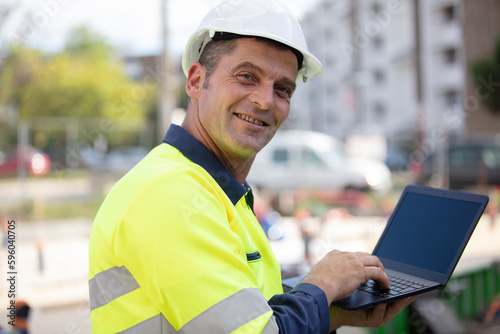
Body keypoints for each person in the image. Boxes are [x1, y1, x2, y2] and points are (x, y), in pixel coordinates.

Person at [88, 0, 415, 333]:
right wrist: (324, 284)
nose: (265, 100)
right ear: (196, 81)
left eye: (282, 89)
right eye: (247, 76)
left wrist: (335, 314)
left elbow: (256, 320)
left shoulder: (222, 195)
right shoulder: (170, 192)